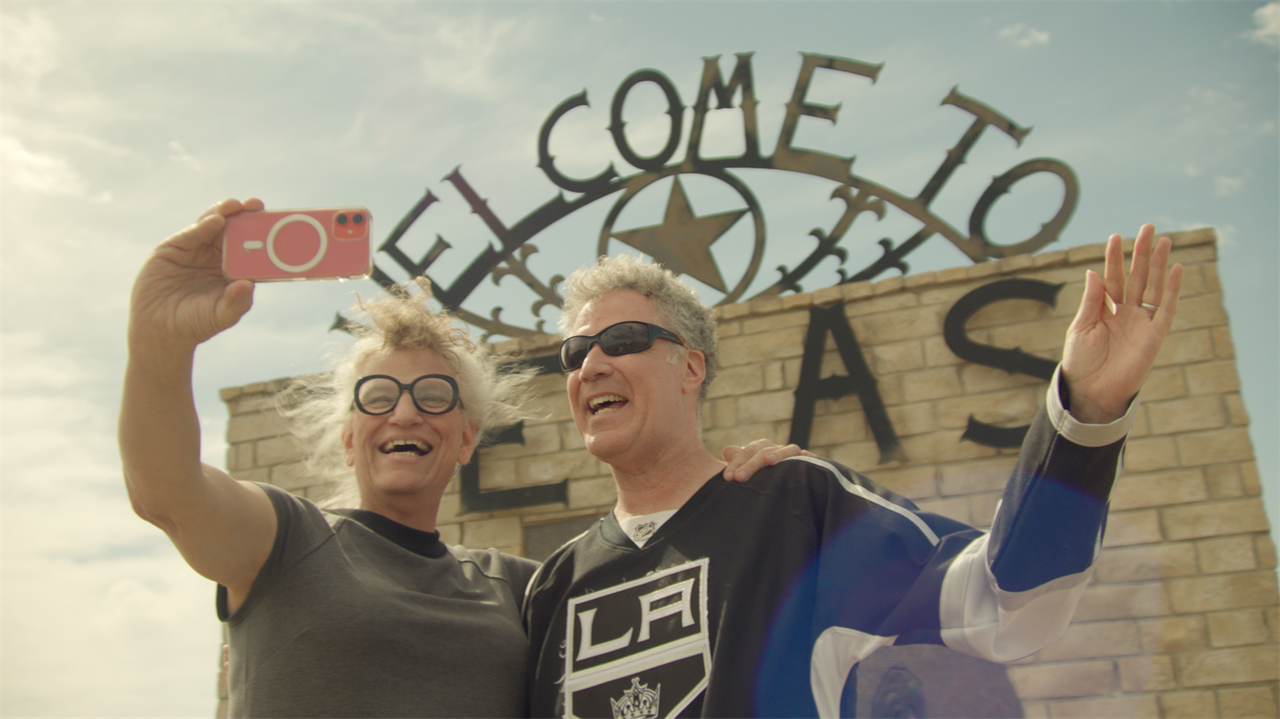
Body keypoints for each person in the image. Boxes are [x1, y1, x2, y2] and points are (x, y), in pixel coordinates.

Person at [119, 198, 795, 717]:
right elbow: (166, 490)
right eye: (379, 395)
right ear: (350, 435)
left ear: (467, 437)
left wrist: (752, 483)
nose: (405, 412)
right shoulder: (284, 540)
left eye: (433, 395)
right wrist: (158, 345)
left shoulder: (528, 587)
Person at [523, 225, 1183, 718]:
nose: (592, 365)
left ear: (691, 367)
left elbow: (1004, 602)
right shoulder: (554, 585)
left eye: (624, 341)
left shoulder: (799, 510)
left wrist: (1085, 413)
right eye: (575, 352)